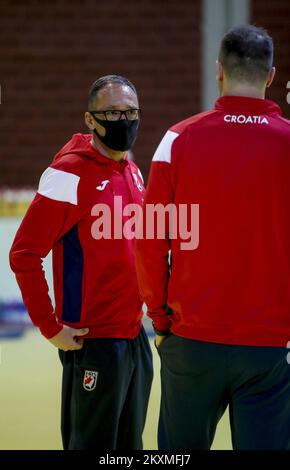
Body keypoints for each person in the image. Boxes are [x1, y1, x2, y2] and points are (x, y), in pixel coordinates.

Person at [135, 25, 290, 450]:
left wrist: (160, 318)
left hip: (190, 339)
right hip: (269, 346)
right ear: (271, 75)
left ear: (219, 70)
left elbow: (149, 240)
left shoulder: (177, 139)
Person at [10, 75, 153, 450]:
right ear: (90, 119)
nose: (124, 120)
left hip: (134, 335)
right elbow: (24, 255)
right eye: (112, 112)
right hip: (93, 340)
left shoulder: (133, 171)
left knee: (129, 446)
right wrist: (49, 326)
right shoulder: (67, 174)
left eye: (131, 112)